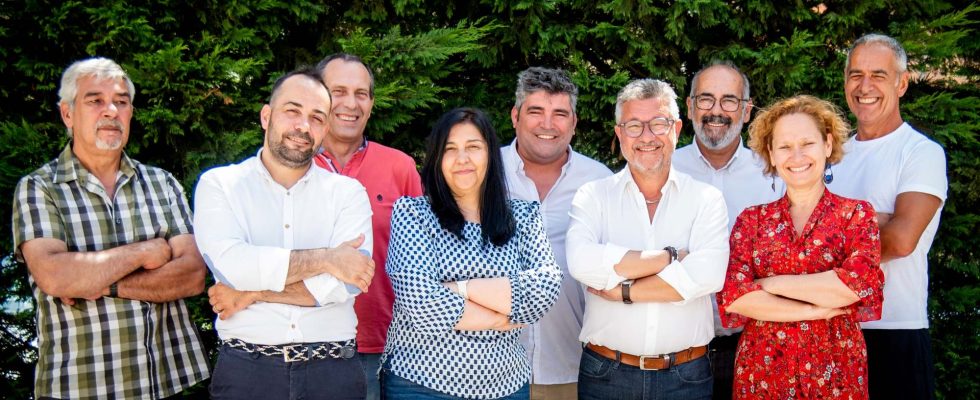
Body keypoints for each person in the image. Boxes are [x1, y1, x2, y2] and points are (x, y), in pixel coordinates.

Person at [12, 57, 210, 399]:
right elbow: (55, 276)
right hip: (79, 386)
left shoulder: (162, 183)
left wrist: (99, 282)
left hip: (166, 382)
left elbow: (192, 275)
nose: (111, 111)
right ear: (67, 114)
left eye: (121, 102)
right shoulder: (39, 188)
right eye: (95, 101)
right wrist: (146, 252)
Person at [194, 66, 375, 399]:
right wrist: (328, 259)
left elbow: (347, 283)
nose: (303, 126)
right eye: (293, 111)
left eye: (317, 118)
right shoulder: (220, 185)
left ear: (325, 129)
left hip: (332, 371)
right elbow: (234, 267)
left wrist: (251, 294)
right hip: (248, 372)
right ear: (266, 116)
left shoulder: (348, 193)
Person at [381, 107, 563, 399]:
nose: (462, 158)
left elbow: (543, 290)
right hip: (421, 384)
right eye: (450, 149)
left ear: (490, 155)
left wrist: (458, 288)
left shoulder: (524, 217)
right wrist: (501, 317)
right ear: (437, 159)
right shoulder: (414, 214)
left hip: (507, 386)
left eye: (473, 147)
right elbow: (422, 306)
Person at [566, 78, 729, 400]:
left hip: (687, 377)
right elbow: (581, 263)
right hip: (606, 375)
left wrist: (623, 291)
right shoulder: (593, 195)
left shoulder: (706, 199)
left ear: (676, 129)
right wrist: (669, 258)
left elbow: (707, 275)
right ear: (619, 134)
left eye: (658, 123)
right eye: (634, 126)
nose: (646, 136)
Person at [718, 95, 885, 398]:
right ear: (771, 153)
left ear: (827, 145)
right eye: (784, 146)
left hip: (836, 372)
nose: (796, 156)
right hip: (762, 373)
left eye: (807, 143)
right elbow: (734, 296)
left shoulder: (856, 215)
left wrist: (769, 284)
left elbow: (855, 286)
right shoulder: (752, 220)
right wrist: (815, 311)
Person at [829, 33, 947, 400]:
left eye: (878, 75)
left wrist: (830, 231)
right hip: (830, 330)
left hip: (896, 331)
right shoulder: (831, 154)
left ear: (902, 83)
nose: (864, 86)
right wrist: (877, 219)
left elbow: (901, 240)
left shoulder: (920, 153)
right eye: (856, 74)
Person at [672, 61, 782, 400]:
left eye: (729, 100)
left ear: (746, 111)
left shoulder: (774, 174)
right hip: (678, 351)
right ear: (690, 107)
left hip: (755, 344)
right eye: (706, 99)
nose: (716, 111)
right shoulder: (664, 169)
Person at [502, 67, 612, 400]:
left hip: (575, 369)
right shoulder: (483, 172)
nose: (547, 124)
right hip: (491, 368)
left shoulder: (600, 182)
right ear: (515, 116)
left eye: (560, 114)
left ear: (574, 123)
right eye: (536, 111)